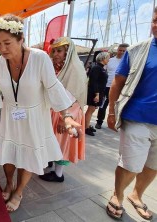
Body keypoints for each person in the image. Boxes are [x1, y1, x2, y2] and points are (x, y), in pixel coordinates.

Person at [0, 14, 81, 212]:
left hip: (35, 117)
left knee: (28, 155)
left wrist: (66, 116)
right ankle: (8, 184)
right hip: (10, 116)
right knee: (8, 156)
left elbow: (53, 88)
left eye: (7, 43)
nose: (2, 49)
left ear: (21, 39)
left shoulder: (40, 58)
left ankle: (19, 191)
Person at [105, 7, 157, 221]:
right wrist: (111, 112)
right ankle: (117, 196)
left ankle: (137, 195)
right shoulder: (136, 50)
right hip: (138, 118)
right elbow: (117, 84)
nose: (155, 25)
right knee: (131, 164)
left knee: (154, 165)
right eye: (155, 20)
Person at [39, 37, 88, 182]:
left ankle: (58, 174)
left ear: (68, 52)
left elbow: (74, 98)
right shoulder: (57, 68)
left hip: (66, 113)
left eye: (59, 51)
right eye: (53, 50)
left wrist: (65, 118)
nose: (55, 54)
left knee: (62, 143)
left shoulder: (75, 69)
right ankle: (51, 163)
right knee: (53, 140)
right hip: (54, 111)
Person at [95, 43, 129, 129]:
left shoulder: (129, 62)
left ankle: (116, 124)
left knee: (119, 106)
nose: (121, 52)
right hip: (107, 86)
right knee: (103, 105)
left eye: (123, 51)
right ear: (117, 50)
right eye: (120, 50)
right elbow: (102, 71)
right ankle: (99, 122)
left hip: (122, 87)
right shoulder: (110, 60)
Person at [84, 52, 110, 136]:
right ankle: (85, 128)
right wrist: (97, 94)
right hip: (95, 92)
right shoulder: (96, 68)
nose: (108, 60)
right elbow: (93, 82)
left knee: (93, 109)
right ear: (103, 59)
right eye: (107, 58)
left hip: (100, 92)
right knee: (90, 110)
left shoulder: (101, 68)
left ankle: (87, 125)